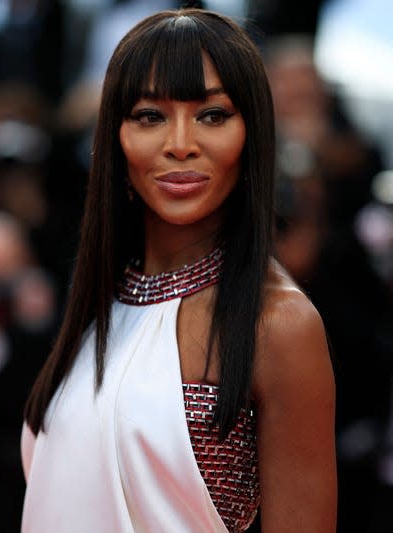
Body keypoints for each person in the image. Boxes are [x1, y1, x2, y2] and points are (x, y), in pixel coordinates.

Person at [21, 8, 336, 533]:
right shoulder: (98, 295)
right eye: (150, 116)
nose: (181, 143)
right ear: (115, 138)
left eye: (212, 114)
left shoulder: (279, 324)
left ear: (252, 133)